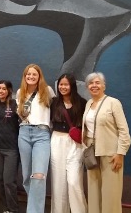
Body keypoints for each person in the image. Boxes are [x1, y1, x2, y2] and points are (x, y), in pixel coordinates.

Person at [82, 72, 131, 213]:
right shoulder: (88, 104)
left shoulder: (113, 103)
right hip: (92, 152)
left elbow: (124, 131)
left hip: (111, 153)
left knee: (111, 194)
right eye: (91, 83)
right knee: (93, 192)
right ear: (87, 87)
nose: (94, 85)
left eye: (97, 83)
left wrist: (120, 153)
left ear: (104, 86)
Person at [16, 64, 55, 213]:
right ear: (24, 76)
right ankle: (34, 206)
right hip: (24, 133)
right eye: (28, 74)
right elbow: (20, 114)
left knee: (38, 175)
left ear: (39, 77)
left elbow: (56, 109)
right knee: (27, 177)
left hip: (42, 134)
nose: (31, 77)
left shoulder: (47, 91)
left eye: (34, 74)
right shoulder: (20, 92)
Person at [50, 74, 87, 213]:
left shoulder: (82, 103)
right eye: (61, 84)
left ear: (72, 86)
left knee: (74, 182)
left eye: (66, 84)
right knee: (58, 182)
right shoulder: (54, 102)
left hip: (75, 143)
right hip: (57, 141)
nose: (63, 87)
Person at [0, 80, 20, 213]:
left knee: (9, 182)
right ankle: (6, 208)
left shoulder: (15, 104)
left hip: (12, 149)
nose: (0, 91)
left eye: (3, 88)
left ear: (9, 90)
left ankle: (13, 209)